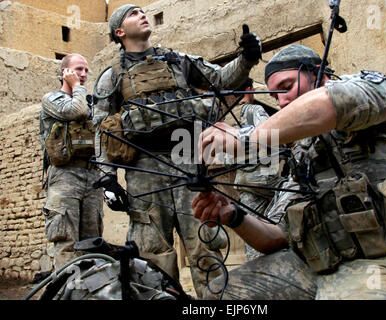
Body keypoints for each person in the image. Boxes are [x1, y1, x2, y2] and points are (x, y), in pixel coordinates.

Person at [193, 44, 386, 299]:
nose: (282, 101)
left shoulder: (377, 91)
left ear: (319, 74)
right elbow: (277, 236)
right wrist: (234, 215)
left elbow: (330, 103)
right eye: (275, 96)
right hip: (326, 268)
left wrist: (247, 137)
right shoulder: (304, 153)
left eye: (287, 87)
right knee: (222, 294)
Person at [92, 4, 262, 298]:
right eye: (133, 14)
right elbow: (103, 127)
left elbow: (221, 79)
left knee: (204, 242)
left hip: (188, 159)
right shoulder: (112, 76)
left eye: (143, 11)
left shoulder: (177, 60)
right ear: (119, 32)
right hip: (144, 168)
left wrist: (246, 58)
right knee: (152, 251)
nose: (142, 14)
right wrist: (108, 179)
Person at [39, 53, 104, 270]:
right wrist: (76, 86)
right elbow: (75, 110)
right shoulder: (52, 99)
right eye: (78, 69)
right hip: (65, 175)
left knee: (92, 243)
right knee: (66, 242)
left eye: (86, 70)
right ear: (64, 72)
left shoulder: (90, 103)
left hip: (92, 175)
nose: (83, 74)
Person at [224, 77, 285, 261]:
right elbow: (272, 135)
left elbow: (225, 158)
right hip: (267, 179)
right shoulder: (255, 110)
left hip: (243, 180)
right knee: (281, 223)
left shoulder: (226, 118)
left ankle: (256, 264)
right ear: (249, 89)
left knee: (254, 229)